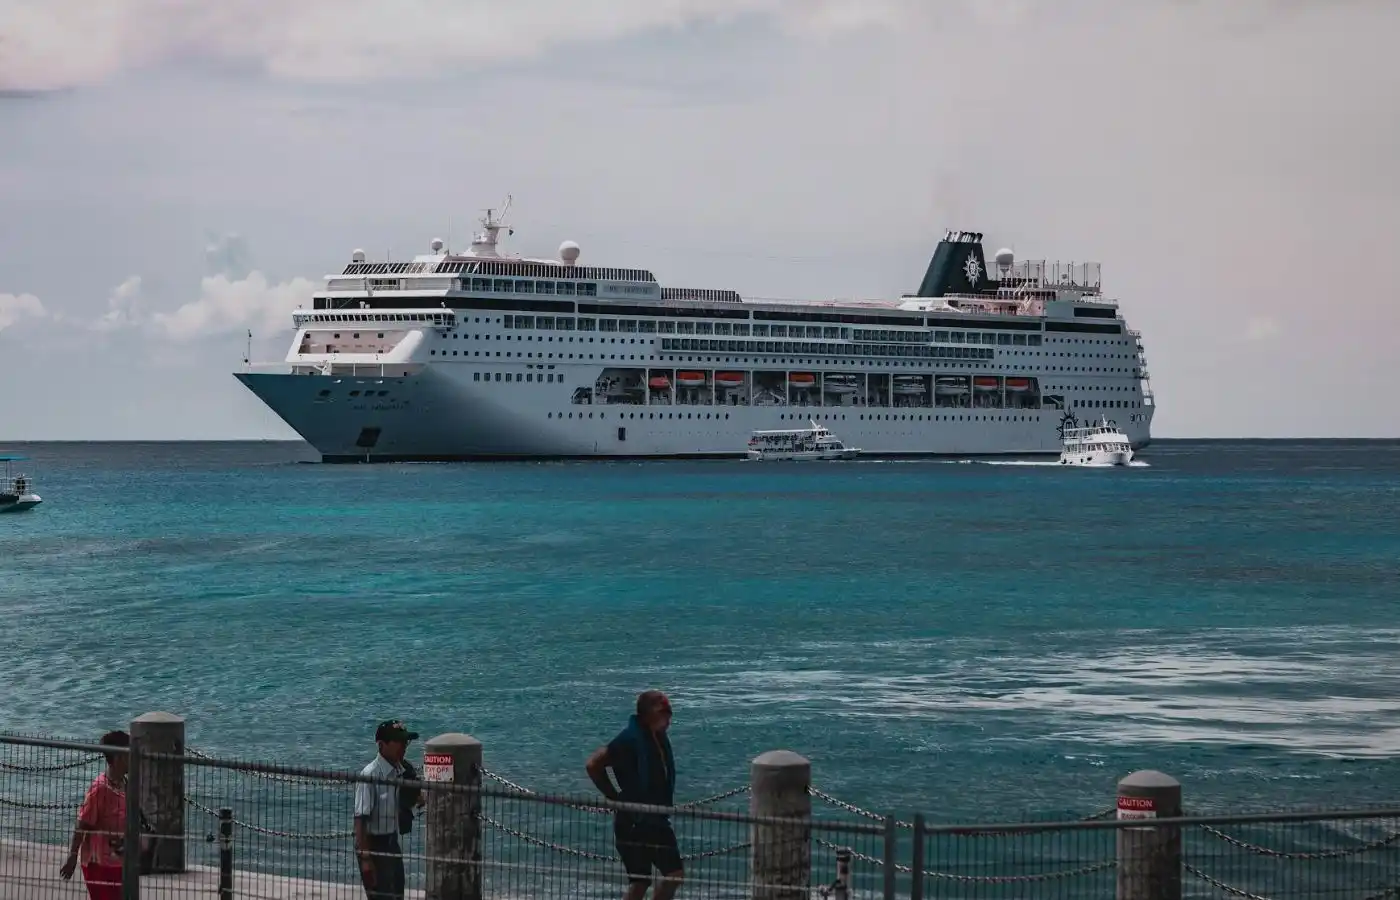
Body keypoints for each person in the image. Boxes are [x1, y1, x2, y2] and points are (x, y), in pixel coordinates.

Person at [585, 690, 682, 900]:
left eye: (669, 713)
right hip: (634, 822)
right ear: (648, 714)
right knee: (647, 879)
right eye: (664, 713)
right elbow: (594, 764)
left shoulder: (658, 738)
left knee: (656, 878)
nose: (669, 718)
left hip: (655, 819)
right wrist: (614, 795)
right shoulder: (629, 739)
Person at [59, 730, 130, 900]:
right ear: (119, 758)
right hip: (99, 864)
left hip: (120, 860)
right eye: (130, 754)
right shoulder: (100, 789)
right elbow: (82, 823)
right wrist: (72, 856)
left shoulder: (125, 784)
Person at [354, 719, 419, 900]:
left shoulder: (401, 770)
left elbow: (411, 799)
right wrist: (366, 859)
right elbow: (360, 820)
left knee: (397, 894)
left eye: (406, 741)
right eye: (399, 742)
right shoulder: (370, 775)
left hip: (392, 842)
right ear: (382, 745)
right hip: (374, 845)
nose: (404, 746)